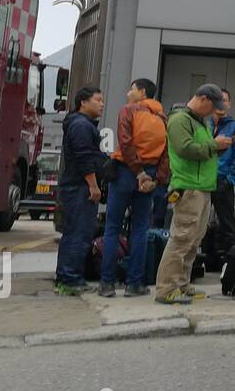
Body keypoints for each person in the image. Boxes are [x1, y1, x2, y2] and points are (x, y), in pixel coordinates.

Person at [155, 84, 232, 304]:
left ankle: (181, 284)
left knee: (193, 239)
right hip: (188, 187)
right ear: (204, 99)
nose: (213, 112)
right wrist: (214, 145)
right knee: (181, 239)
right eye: (213, 107)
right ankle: (166, 289)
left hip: (202, 187)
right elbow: (185, 149)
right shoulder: (180, 120)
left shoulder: (201, 121)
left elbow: (202, 148)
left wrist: (217, 147)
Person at [99, 77, 170, 297]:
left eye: (132, 90)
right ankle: (135, 284)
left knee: (112, 227)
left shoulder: (129, 111)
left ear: (142, 92)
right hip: (148, 177)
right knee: (140, 229)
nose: (129, 94)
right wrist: (155, 179)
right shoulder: (162, 117)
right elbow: (167, 153)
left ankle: (107, 284)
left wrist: (137, 171)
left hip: (125, 172)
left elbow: (125, 141)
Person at [54, 86, 107, 295]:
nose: (102, 104)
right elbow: (84, 157)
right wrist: (93, 186)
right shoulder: (81, 125)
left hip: (77, 185)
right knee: (78, 234)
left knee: (75, 233)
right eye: (97, 100)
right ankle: (70, 279)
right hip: (79, 187)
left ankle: (67, 277)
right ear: (83, 102)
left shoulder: (81, 124)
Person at [204, 88, 235, 268]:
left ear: (230, 104)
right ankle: (206, 259)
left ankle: (231, 265)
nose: (222, 104)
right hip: (203, 181)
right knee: (200, 222)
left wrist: (230, 179)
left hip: (222, 181)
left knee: (227, 224)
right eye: (219, 100)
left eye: (225, 100)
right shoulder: (205, 124)